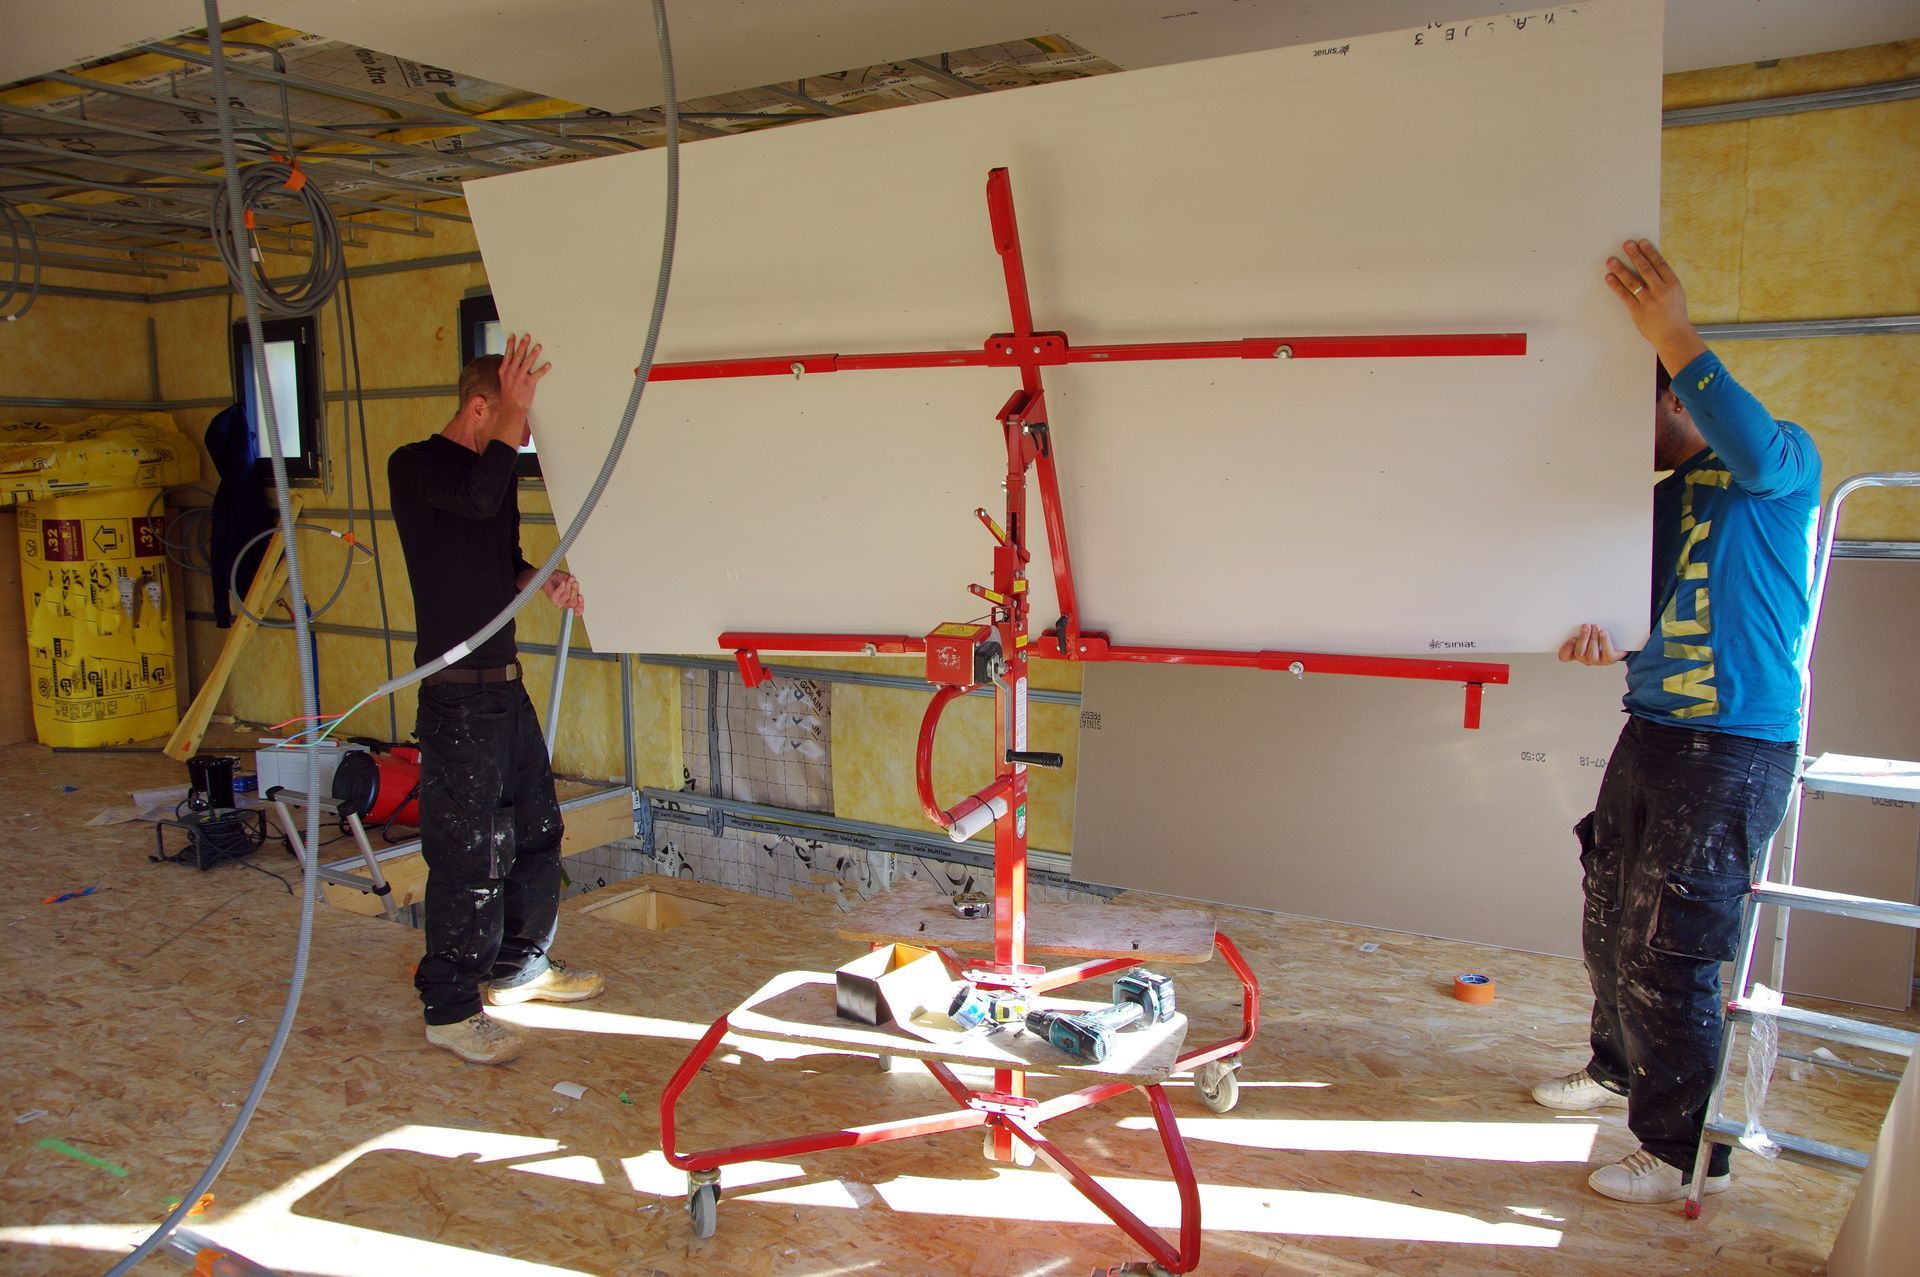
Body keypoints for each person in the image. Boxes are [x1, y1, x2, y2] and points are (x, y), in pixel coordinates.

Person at [1533, 240, 1822, 1202]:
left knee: (1676, 946)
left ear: (1673, 402)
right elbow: (1641, 623)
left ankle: (1678, 1149)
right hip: (1651, 730)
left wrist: (1674, 334)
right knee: (1610, 917)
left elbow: (1746, 443)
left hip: (1734, 746)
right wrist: (1597, 640)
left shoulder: (1777, 465)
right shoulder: (1650, 507)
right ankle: (1614, 1069)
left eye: (1633, 416)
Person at [389, 334, 602, 1065]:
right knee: (467, 853)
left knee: (538, 830)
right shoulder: (415, 468)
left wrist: (540, 580)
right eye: (514, 420)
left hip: (503, 692)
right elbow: (477, 496)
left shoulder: (492, 473)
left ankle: (518, 967)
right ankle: (450, 1008)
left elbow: (495, 556)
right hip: (455, 703)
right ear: (481, 408)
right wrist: (515, 419)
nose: (525, 439)